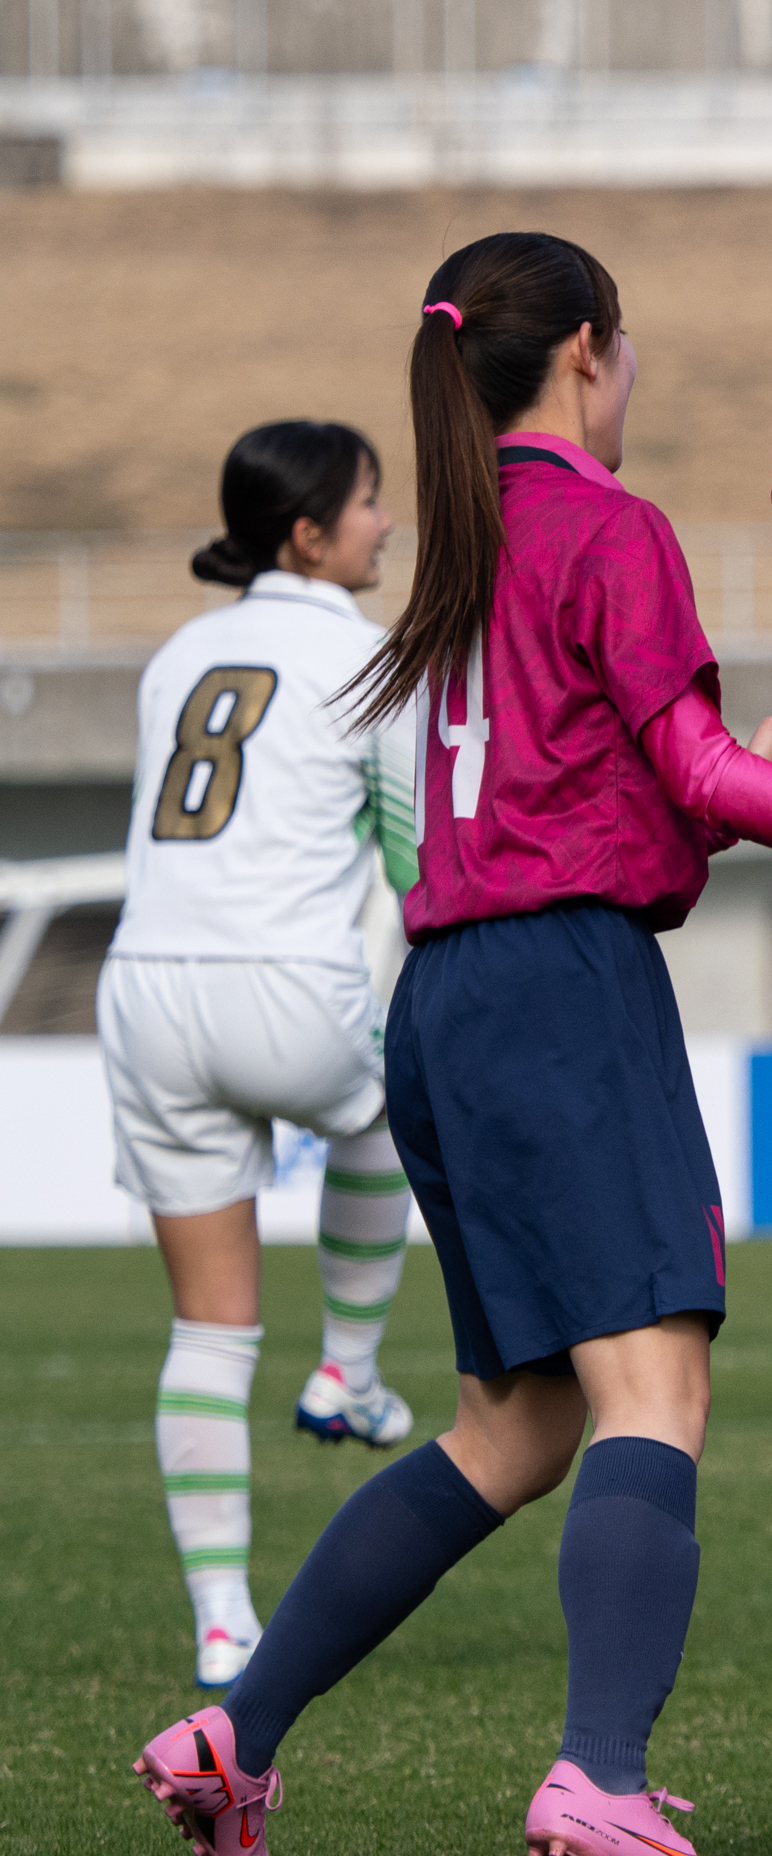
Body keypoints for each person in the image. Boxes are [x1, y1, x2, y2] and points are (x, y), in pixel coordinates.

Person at [132, 229, 772, 1856]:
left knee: (513, 1428)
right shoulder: (608, 526)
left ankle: (236, 1733)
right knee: (654, 1391)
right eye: (630, 341)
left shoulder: (467, 542)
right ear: (589, 348)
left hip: (449, 997)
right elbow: (696, 781)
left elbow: (630, 790)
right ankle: (595, 1774)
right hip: (562, 996)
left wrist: (751, 778)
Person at [100, 419, 423, 1694]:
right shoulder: (368, 656)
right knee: (390, 1109)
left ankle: (223, 1623)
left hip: (144, 991)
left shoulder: (178, 654)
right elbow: (414, 860)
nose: (384, 523)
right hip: (283, 985)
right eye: (369, 502)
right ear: (309, 533)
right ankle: (347, 1370)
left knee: (210, 1328)